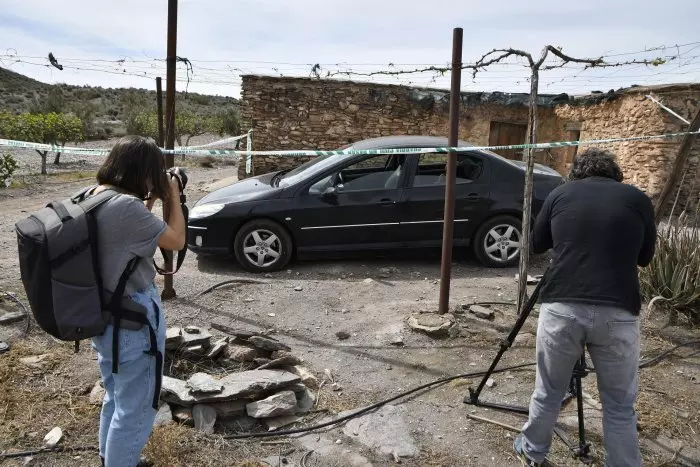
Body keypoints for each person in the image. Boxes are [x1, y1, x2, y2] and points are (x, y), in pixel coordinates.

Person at [513, 148, 656, 467]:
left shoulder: (561, 193)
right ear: (614, 173)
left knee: (549, 390)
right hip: (618, 310)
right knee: (619, 405)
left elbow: (536, 244)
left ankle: (533, 451)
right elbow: (644, 258)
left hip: (562, 305)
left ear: (576, 173)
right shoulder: (638, 200)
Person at [88, 136, 186, 467]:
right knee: (137, 407)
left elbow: (130, 235)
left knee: (116, 395)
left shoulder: (96, 196)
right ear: (141, 170)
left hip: (106, 314)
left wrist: (152, 201)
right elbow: (176, 239)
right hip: (132, 318)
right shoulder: (126, 207)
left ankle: (110, 458)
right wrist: (172, 192)